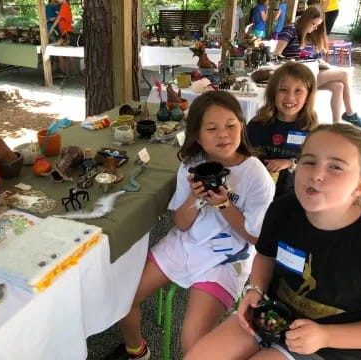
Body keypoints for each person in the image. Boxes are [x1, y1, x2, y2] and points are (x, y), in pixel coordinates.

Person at [186, 123, 361, 360]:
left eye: (336, 167)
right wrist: (256, 289)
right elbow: (265, 254)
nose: (317, 174)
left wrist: (325, 336)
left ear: (360, 186)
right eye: (309, 161)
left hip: (327, 348)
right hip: (269, 318)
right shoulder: (283, 208)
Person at [106, 91, 275, 359]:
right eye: (212, 128)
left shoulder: (256, 175)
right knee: (123, 300)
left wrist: (223, 205)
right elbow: (182, 225)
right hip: (186, 242)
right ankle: (137, 351)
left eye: (231, 125)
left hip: (228, 257)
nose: (223, 134)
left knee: (192, 343)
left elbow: (256, 238)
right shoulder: (192, 165)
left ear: (242, 126)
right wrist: (195, 198)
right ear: (196, 135)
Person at [273, 6, 361, 127]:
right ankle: (350, 113)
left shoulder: (311, 35)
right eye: (313, 24)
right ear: (306, 19)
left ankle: (336, 124)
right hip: (296, 75)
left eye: (317, 25)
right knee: (345, 74)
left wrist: (322, 64)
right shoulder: (290, 29)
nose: (315, 28)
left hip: (311, 71)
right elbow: (276, 55)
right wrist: (295, 61)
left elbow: (315, 58)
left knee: (338, 86)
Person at [247, 62, 318, 199]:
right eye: (283, 90)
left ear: (308, 95)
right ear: (273, 92)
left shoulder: (311, 130)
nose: (290, 98)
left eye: (298, 91)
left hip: (292, 196)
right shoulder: (257, 124)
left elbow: (315, 167)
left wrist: (290, 163)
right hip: (256, 192)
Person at [48, 0, 73, 74]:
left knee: (60, 52)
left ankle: (64, 72)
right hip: (66, 32)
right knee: (68, 52)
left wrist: (51, 30)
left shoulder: (64, 6)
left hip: (65, 33)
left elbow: (58, 19)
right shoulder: (66, 6)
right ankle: (69, 72)